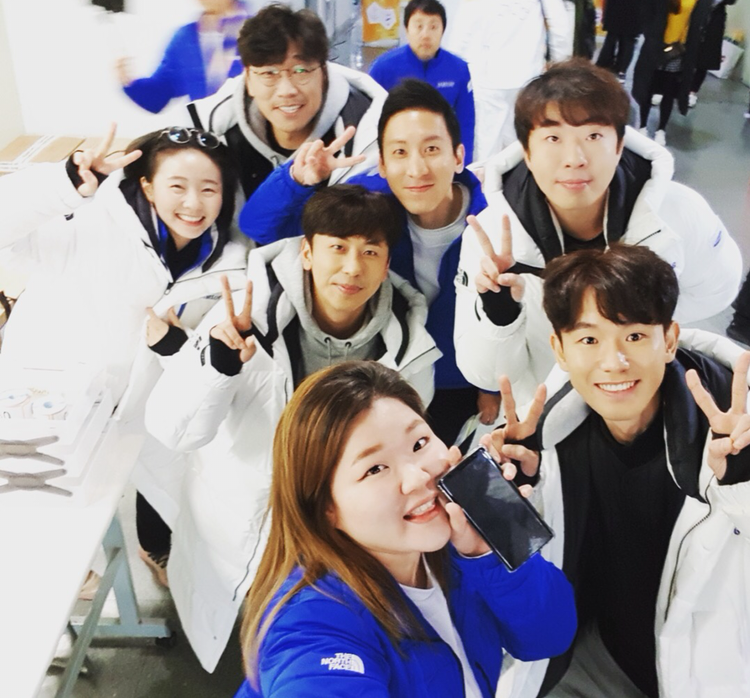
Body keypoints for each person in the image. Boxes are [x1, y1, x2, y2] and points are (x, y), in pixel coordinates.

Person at [143, 183, 439, 671]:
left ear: (387, 262)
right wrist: (218, 364)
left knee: (328, 639)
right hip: (246, 519)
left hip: (342, 529)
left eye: (369, 251)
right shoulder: (242, 316)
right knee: (255, 634)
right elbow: (173, 429)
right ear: (306, 252)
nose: (352, 267)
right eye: (337, 248)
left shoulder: (409, 345)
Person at [489, 244, 750, 698]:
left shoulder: (735, 430)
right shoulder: (542, 439)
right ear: (560, 350)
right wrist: (514, 492)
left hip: (708, 678)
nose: (614, 362)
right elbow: (505, 584)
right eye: (589, 340)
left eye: (634, 336)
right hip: (588, 660)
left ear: (669, 340)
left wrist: (742, 482)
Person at [233, 360, 576, 697]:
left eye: (419, 444)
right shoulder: (312, 621)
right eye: (375, 468)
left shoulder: (457, 544)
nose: (417, 478)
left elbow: (549, 637)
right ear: (325, 508)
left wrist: (488, 549)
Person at [0, 125, 248, 586]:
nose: (193, 204)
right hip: (53, 399)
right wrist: (63, 185)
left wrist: (176, 347)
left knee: (173, 489)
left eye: (208, 189)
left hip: (144, 407)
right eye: (177, 186)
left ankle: (155, 550)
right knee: (48, 547)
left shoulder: (230, 262)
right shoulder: (87, 219)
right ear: (148, 186)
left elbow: (209, 355)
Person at [454, 59, 742, 409]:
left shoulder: (676, 213)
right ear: (527, 152)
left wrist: (645, 316)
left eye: (593, 136)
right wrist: (499, 309)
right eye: (553, 138)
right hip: (548, 415)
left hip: (645, 407)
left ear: (619, 145)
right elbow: (487, 376)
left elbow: (719, 288)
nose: (574, 158)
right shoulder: (492, 239)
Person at [240, 79, 499, 446]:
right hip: (386, 379)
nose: (416, 169)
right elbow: (259, 226)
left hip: (464, 384)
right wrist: (298, 180)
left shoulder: (495, 225)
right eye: (399, 152)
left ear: (458, 156)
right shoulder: (370, 207)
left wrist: (491, 383)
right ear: (382, 164)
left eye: (431, 149)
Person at [185, 3, 385, 205]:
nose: (287, 90)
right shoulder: (215, 133)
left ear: (324, 74)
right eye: (269, 73)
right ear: (248, 80)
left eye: (301, 71)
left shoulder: (369, 132)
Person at [448, 0, 572, 162]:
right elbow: (560, 29)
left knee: (487, 145)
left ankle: (486, 182)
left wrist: (457, 77)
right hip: (529, 77)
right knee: (524, 142)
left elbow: (460, 39)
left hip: (487, 79)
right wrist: (558, 67)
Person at [116, 0, 249, 113]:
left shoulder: (259, 31)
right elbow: (158, 96)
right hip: (205, 129)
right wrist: (128, 80)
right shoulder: (185, 39)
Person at [368, 0, 476, 162]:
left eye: (433, 27)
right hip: (397, 153)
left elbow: (466, 122)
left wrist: (463, 165)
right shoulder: (382, 68)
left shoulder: (459, 69)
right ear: (407, 29)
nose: (425, 35)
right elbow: (369, 121)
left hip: (439, 153)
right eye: (419, 26)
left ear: (443, 30)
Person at [632, 0, 715, 147]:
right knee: (648, 86)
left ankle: (661, 129)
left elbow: (699, 18)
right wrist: (650, 34)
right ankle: (642, 125)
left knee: (669, 90)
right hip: (656, 44)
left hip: (679, 48)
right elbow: (647, 7)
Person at [690, 0, 739, 107]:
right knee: (687, 54)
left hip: (714, 22)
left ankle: (692, 91)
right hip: (695, 18)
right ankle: (676, 88)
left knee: (704, 60)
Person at [596, 0, 651, 82]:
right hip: (633, 11)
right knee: (628, 41)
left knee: (612, 38)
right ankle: (621, 71)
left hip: (617, 8)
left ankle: (602, 67)